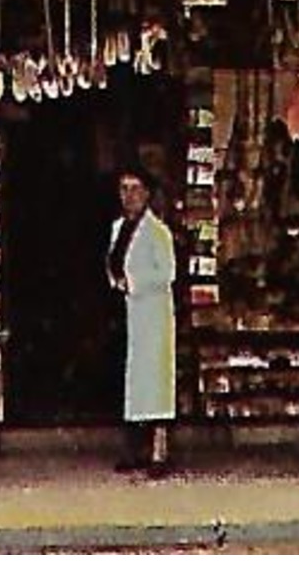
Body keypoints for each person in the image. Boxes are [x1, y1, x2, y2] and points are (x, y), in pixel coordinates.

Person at [106, 169, 176, 477]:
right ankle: (135, 449)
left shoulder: (157, 232)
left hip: (154, 313)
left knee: (156, 382)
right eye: (124, 189)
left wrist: (132, 282)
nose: (130, 195)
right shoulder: (118, 227)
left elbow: (167, 273)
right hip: (130, 311)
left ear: (147, 194)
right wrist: (116, 281)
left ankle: (160, 452)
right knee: (135, 384)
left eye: (136, 189)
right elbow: (112, 261)